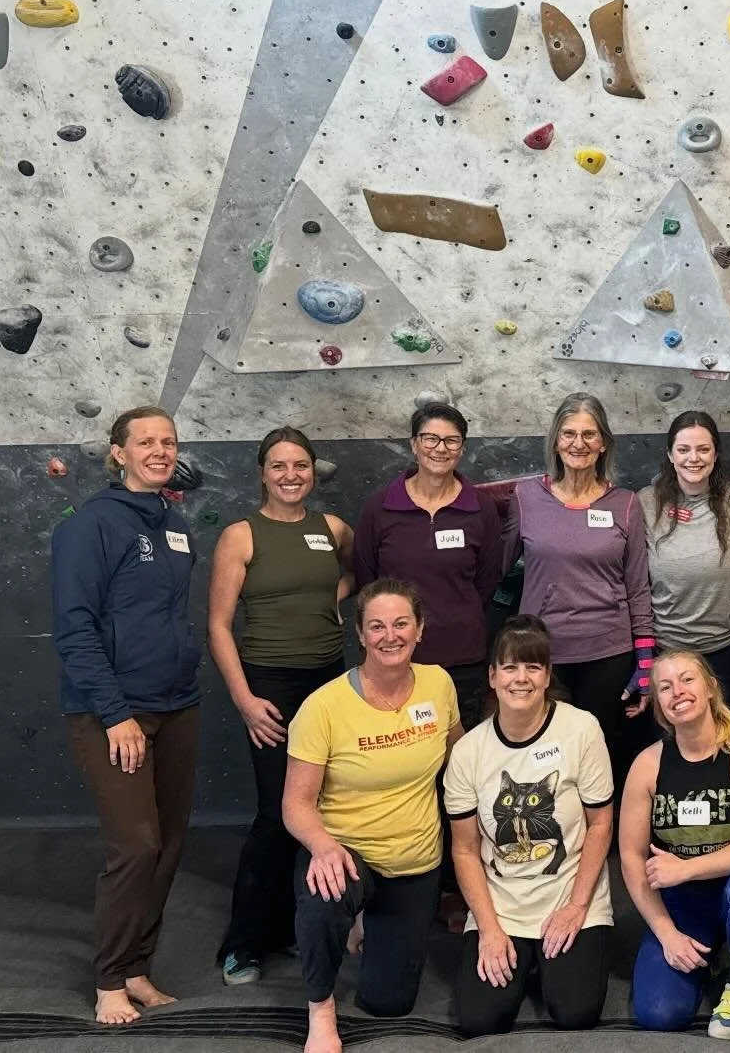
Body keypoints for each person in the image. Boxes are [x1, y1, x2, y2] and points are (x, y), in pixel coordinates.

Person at [51, 406, 202, 1026]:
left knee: (166, 846)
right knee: (136, 846)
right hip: (113, 712)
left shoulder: (174, 521)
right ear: (118, 452)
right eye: (146, 442)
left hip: (178, 705)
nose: (159, 450)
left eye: (168, 441)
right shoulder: (91, 525)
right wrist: (115, 715)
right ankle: (109, 979)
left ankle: (139, 967)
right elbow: (74, 628)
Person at [283, 579, 463, 1053]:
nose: (391, 635)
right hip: (347, 851)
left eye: (402, 623)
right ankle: (320, 1011)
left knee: (389, 1002)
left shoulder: (439, 683)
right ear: (360, 635)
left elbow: (463, 758)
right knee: (324, 896)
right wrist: (323, 847)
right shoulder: (323, 707)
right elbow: (295, 803)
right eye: (377, 626)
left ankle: (365, 923)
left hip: (414, 860)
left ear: (419, 629)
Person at [210, 427, 354, 985]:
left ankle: (295, 926)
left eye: (300, 466)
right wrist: (245, 699)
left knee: (321, 809)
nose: (291, 475)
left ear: (312, 472)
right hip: (269, 685)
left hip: (327, 683)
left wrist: (332, 603)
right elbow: (219, 627)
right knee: (277, 813)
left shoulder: (333, 528)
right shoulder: (241, 537)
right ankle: (245, 940)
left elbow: (353, 573)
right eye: (279, 466)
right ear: (262, 473)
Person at [443, 616, 614, 1036]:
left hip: (570, 893)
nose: (521, 678)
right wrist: (488, 928)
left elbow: (600, 824)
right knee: (480, 1019)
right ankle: (527, 958)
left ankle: (548, 964)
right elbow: (465, 850)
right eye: (510, 667)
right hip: (501, 904)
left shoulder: (581, 728)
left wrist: (576, 907)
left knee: (575, 1012)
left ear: (547, 674)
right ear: (492, 675)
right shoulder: (468, 751)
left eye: (533, 667)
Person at [621, 651, 730, 1039]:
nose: (677, 691)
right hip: (682, 905)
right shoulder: (647, 764)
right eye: (665, 687)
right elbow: (630, 857)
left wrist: (686, 868)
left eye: (687, 680)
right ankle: (710, 956)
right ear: (660, 704)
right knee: (660, 1015)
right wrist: (666, 933)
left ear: (711, 687)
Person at [503, 392, 654, 765]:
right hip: (541, 653)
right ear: (556, 440)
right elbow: (497, 572)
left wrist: (646, 665)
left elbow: (637, 587)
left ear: (603, 443)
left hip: (607, 653)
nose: (578, 443)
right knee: (542, 756)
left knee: (598, 756)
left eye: (589, 434)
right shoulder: (525, 498)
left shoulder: (626, 504)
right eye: (569, 433)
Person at [354, 401, 503, 730]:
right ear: (413, 444)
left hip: (462, 657)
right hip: (396, 657)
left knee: (459, 759)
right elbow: (368, 583)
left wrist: (455, 612)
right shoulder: (379, 508)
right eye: (430, 439)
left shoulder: (480, 508)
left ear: (462, 448)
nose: (440, 448)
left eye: (451, 441)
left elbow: (487, 579)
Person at [637, 411, 730, 736]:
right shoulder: (645, 503)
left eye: (703, 449)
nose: (694, 458)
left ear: (716, 453)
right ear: (670, 454)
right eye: (683, 450)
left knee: (724, 742)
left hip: (724, 651)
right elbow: (633, 584)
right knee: (672, 745)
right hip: (666, 652)